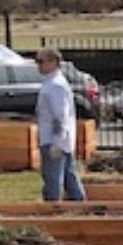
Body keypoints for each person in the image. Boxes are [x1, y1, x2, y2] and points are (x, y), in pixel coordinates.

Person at [35, 47, 84, 202]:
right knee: (69, 177)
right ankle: (80, 206)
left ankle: (53, 212)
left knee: (52, 179)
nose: (38, 65)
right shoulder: (53, 82)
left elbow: (60, 116)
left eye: (41, 61)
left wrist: (56, 142)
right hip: (59, 139)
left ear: (53, 62)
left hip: (53, 140)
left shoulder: (55, 85)